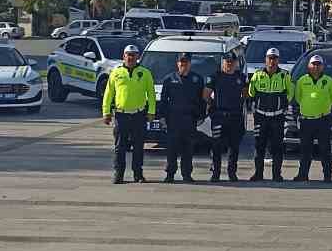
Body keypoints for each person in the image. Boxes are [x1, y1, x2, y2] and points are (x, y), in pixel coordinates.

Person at [102, 45, 156, 184]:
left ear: (138, 57)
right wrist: (106, 112)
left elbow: (151, 93)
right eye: (128, 54)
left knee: (138, 146)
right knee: (120, 147)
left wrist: (151, 112)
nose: (130, 57)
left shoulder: (145, 73)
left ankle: (138, 174)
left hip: (139, 115)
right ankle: (119, 174)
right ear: (123, 56)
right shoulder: (116, 73)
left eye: (133, 55)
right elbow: (109, 93)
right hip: (121, 115)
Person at [157, 53, 208, 183]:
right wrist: (162, 117)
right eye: (181, 62)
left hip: (189, 120)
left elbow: (201, 101)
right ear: (177, 63)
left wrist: (201, 116)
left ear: (190, 63)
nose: (183, 65)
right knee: (171, 149)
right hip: (173, 120)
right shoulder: (169, 79)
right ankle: (170, 174)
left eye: (186, 62)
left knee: (188, 149)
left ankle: (186, 174)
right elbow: (163, 100)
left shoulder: (197, 79)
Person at [248, 48, 293, 181]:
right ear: (265, 59)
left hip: (277, 117)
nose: (272, 61)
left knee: (277, 147)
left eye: (274, 58)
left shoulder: (285, 75)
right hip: (261, 117)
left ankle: (276, 175)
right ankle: (258, 174)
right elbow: (251, 93)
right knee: (259, 146)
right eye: (270, 58)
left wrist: (281, 105)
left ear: (278, 60)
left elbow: (290, 94)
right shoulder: (257, 75)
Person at [294, 54, 332, 182]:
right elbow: (298, 97)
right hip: (306, 120)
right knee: (305, 150)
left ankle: (327, 175)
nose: (316, 67)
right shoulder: (302, 81)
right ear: (309, 66)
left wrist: (322, 107)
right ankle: (303, 175)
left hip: (323, 120)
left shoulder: (329, 81)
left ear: (322, 66)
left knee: (325, 149)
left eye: (318, 64)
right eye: (313, 64)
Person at [208, 52, 247, 181]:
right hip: (219, 116)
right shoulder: (215, 76)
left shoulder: (241, 77)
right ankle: (216, 173)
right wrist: (212, 106)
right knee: (216, 147)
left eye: (231, 61)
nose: (229, 64)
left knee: (234, 147)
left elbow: (246, 94)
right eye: (227, 61)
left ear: (236, 63)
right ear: (222, 62)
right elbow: (205, 94)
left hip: (235, 116)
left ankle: (232, 173)